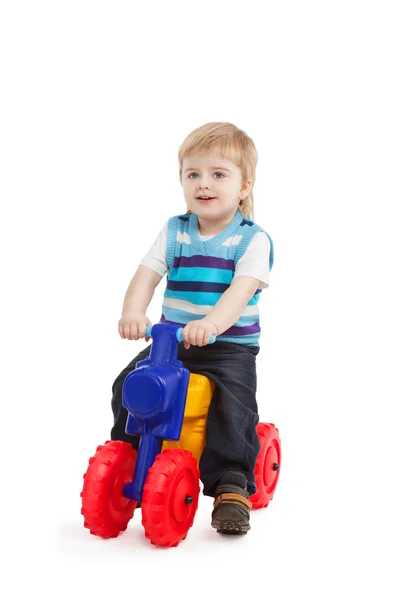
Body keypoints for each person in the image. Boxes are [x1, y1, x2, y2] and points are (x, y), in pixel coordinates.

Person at [111, 122, 274, 535]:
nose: (204, 184)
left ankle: (231, 483)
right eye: (193, 174)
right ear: (182, 180)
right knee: (126, 384)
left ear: (243, 186)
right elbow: (146, 275)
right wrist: (134, 311)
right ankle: (127, 453)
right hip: (172, 342)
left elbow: (240, 293)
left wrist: (211, 324)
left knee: (232, 404)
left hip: (228, 346)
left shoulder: (251, 240)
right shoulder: (175, 230)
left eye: (219, 174)